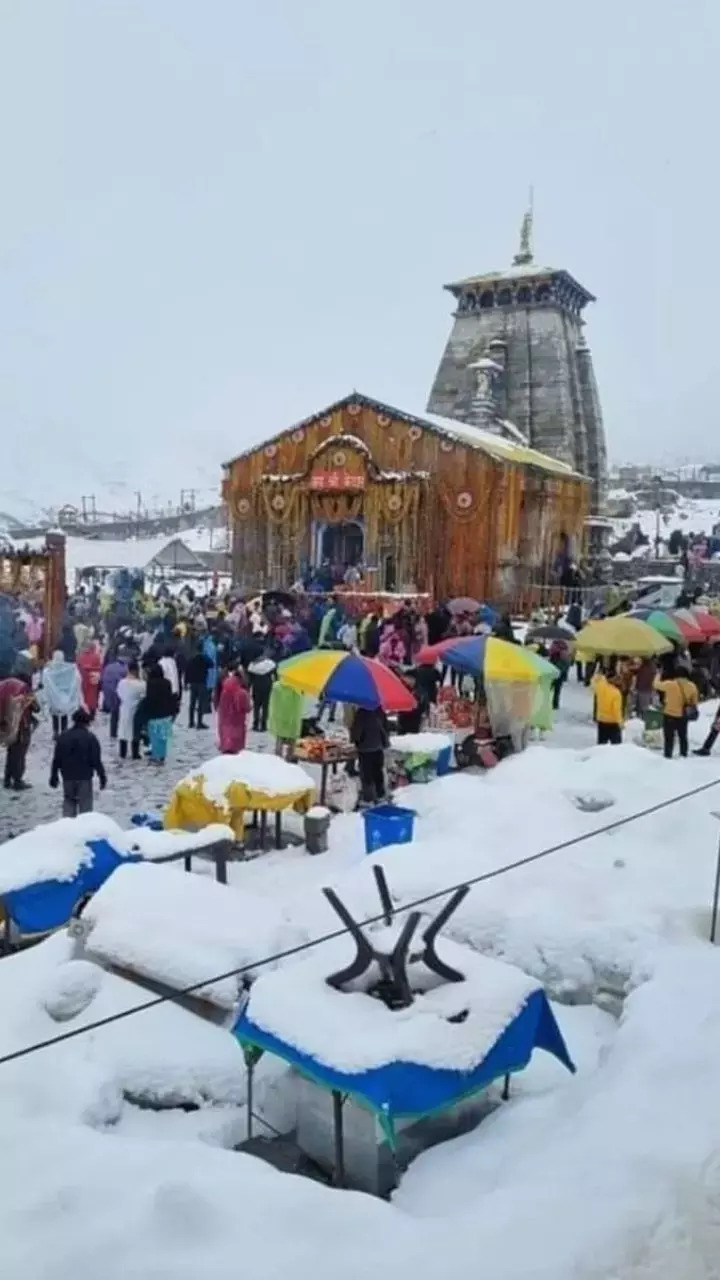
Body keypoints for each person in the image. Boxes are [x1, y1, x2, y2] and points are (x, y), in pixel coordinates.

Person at [49, 708, 107, 816]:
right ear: (87, 722)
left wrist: (54, 776)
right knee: (85, 806)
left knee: (69, 801)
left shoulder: (63, 737)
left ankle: (68, 826)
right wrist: (102, 776)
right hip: (84, 777)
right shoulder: (90, 738)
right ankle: (83, 828)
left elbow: (56, 759)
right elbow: (96, 760)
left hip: (67, 776)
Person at [0, 674, 38, 790]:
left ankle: (7, 779)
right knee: (20, 754)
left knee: (11, 752)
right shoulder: (24, 689)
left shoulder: (4, 686)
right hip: (22, 725)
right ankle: (17, 781)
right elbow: (37, 708)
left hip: (7, 726)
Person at [654, 669, 699, 759]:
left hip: (669, 714)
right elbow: (694, 702)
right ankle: (683, 755)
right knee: (683, 736)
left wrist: (658, 674)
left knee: (669, 738)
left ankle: (668, 755)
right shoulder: (692, 686)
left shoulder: (670, 684)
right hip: (683, 715)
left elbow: (656, 685)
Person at [350, 705, 389, 805]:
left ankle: (369, 798)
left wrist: (355, 741)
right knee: (378, 772)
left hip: (365, 748)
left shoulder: (362, 712)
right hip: (379, 746)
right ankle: (380, 795)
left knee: (367, 774)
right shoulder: (380, 710)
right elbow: (385, 726)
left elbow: (357, 731)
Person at [43, 649, 82, 739]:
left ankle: (56, 731)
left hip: (53, 695)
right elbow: (76, 677)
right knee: (64, 713)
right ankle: (64, 730)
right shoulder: (67, 668)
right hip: (64, 695)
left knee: (55, 714)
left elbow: (45, 678)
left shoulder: (50, 669)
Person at [142, 663, 176, 764]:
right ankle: (161, 755)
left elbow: (149, 698)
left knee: (154, 736)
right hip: (165, 713)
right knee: (163, 737)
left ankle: (156, 756)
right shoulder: (167, 682)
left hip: (154, 713)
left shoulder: (150, 683)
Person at [217, 664, 251, 754]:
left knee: (226, 735)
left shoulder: (225, 689)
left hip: (224, 720)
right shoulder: (241, 692)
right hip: (237, 722)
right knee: (235, 744)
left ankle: (225, 747)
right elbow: (247, 708)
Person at [116, 660, 145, 760]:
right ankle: (135, 753)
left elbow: (119, 694)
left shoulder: (122, 682)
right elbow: (144, 696)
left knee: (123, 730)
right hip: (135, 709)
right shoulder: (141, 684)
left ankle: (122, 752)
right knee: (134, 731)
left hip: (124, 708)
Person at [591, 669, 624, 745]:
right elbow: (616, 710)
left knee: (601, 744)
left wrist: (598, 676)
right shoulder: (616, 693)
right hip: (613, 722)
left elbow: (593, 683)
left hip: (601, 720)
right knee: (616, 746)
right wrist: (620, 723)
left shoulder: (600, 686)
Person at [100, 652, 127, 739]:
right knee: (120, 714)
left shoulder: (108, 667)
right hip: (119, 692)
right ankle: (120, 733)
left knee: (114, 713)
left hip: (109, 692)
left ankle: (113, 733)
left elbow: (103, 679)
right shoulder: (124, 669)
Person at [247, 654, 276, 733]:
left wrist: (248, 688)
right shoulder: (270, 664)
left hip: (256, 686)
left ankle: (256, 724)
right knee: (265, 705)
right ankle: (264, 724)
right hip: (267, 685)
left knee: (256, 705)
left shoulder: (252, 665)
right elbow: (275, 676)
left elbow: (250, 679)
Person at [186, 643, 211, 729]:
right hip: (202, 682)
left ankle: (191, 722)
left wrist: (186, 682)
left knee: (192, 703)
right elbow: (211, 664)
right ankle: (199, 723)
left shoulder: (191, 659)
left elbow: (187, 670)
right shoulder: (204, 658)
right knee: (200, 703)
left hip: (193, 683)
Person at [77, 641, 102, 721]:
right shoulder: (96, 656)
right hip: (93, 678)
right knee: (93, 697)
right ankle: (92, 714)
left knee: (84, 696)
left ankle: (83, 712)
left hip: (83, 678)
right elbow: (99, 667)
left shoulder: (81, 656)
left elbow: (78, 666)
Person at [159, 646, 181, 718]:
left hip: (163, 688)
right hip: (173, 689)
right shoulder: (173, 662)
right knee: (173, 710)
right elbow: (175, 677)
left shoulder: (161, 662)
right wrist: (177, 691)